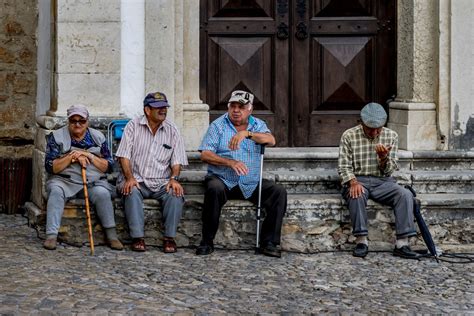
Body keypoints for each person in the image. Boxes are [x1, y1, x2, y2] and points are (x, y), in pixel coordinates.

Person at [196, 90, 287, 258]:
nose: (236, 110)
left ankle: (269, 243)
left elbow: (271, 140)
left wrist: (247, 134)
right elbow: (205, 154)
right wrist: (230, 162)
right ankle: (207, 242)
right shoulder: (218, 125)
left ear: (250, 109)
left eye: (241, 107)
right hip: (223, 180)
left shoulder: (257, 125)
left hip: (250, 181)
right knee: (213, 189)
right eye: (233, 106)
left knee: (278, 192)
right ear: (228, 107)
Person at [338, 102, 419, 259]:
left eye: (378, 128)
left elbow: (389, 170)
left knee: (405, 195)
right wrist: (352, 182)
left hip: (383, 181)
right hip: (358, 179)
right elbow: (343, 166)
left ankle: (402, 244)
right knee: (356, 194)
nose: (375, 132)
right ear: (361, 123)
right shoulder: (349, 135)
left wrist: (383, 158)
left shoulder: (391, 136)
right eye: (370, 128)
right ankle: (361, 241)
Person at [115, 92, 188, 253]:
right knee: (130, 190)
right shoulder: (133, 126)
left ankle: (169, 238)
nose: (163, 110)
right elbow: (124, 156)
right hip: (137, 178)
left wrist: (174, 178)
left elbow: (177, 161)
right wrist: (129, 178)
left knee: (176, 192)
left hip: (161, 181)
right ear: (147, 110)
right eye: (158, 108)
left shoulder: (172, 130)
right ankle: (137, 237)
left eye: (164, 107)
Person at [43, 104, 123, 251]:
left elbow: (109, 165)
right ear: (68, 121)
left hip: (93, 181)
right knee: (55, 191)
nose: (77, 124)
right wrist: (72, 157)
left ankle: (112, 236)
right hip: (65, 180)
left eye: (82, 121)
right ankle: (51, 235)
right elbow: (51, 166)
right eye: (73, 121)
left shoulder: (98, 137)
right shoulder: (56, 137)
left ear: (88, 122)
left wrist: (89, 156)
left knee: (103, 193)